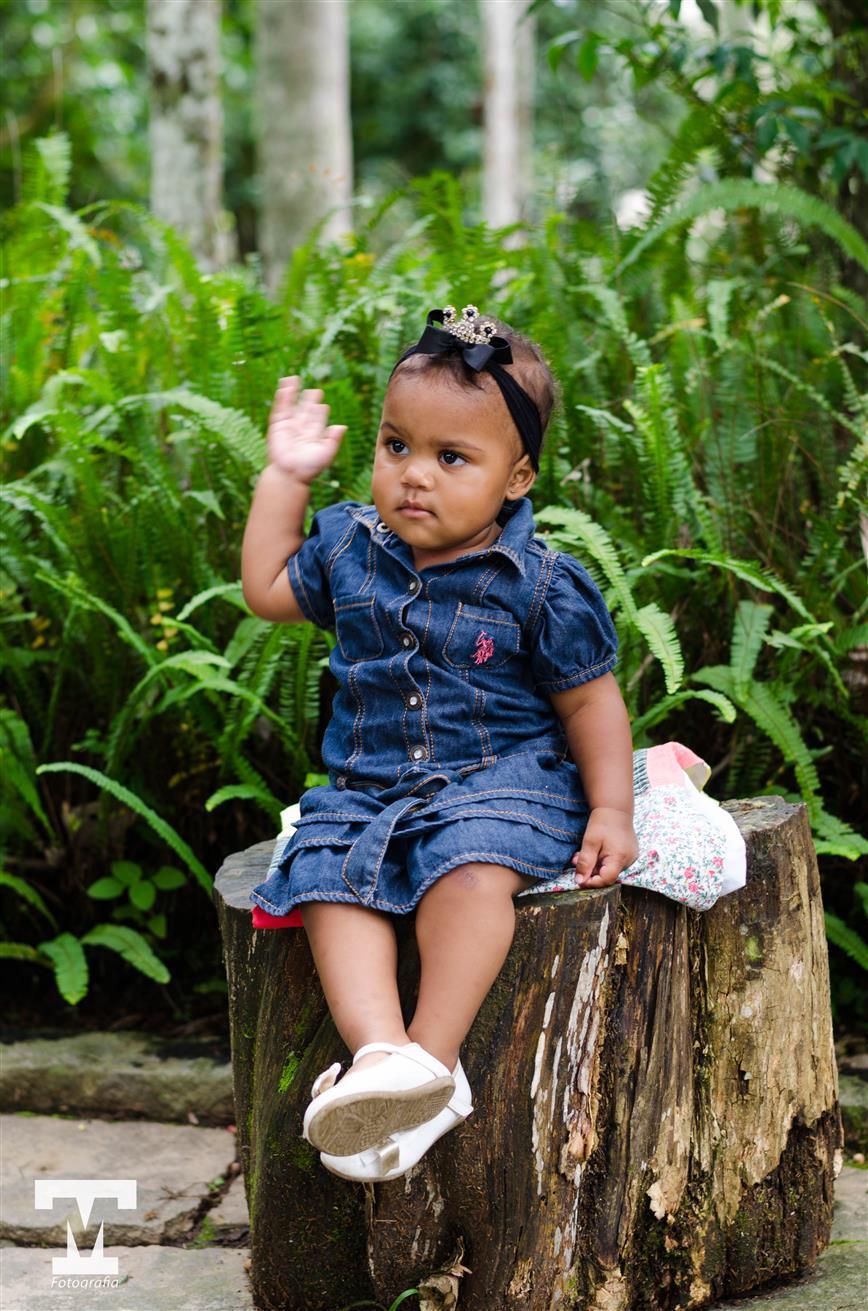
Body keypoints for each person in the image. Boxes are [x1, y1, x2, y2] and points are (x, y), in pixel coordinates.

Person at [240, 304, 638, 1183]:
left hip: (502, 783)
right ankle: (382, 1057)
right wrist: (286, 476)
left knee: (469, 864)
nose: (414, 476)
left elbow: (589, 704)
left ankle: (434, 1054)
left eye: (451, 458)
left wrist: (611, 805)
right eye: (396, 446)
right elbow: (266, 587)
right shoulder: (351, 546)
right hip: (368, 786)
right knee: (327, 871)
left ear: (517, 476)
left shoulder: (540, 585)